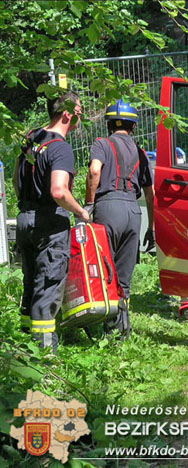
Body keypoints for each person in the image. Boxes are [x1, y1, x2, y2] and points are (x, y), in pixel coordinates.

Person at [13, 91, 90, 352]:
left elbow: (16, 178)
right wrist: (80, 211)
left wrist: (27, 205)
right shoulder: (60, 147)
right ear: (67, 114)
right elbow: (59, 191)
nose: (81, 115)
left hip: (25, 219)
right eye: (79, 110)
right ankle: (45, 359)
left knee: (30, 282)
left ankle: (22, 349)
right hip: (49, 225)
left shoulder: (31, 137)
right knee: (46, 289)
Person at [85, 99, 155, 339]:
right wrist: (152, 227)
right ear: (133, 127)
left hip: (108, 207)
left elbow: (95, 171)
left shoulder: (102, 144)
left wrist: (88, 204)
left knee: (105, 270)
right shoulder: (141, 153)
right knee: (124, 276)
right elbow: (150, 193)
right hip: (133, 211)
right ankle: (123, 331)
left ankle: (107, 328)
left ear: (109, 125)